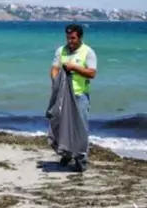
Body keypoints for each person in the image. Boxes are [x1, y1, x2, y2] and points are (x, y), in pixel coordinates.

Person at [50, 23, 97, 172]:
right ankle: (66, 153)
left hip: (80, 95)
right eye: (68, 37)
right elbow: (54, 68)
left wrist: (74, 68)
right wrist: (56, 82)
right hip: (63, 95)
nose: (70, 41)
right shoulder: (61, 50)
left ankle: (81, 159)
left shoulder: (88, 52)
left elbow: (92, 73)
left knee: (80, 128)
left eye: (73, 38)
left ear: (80, 37)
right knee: (61, 124)